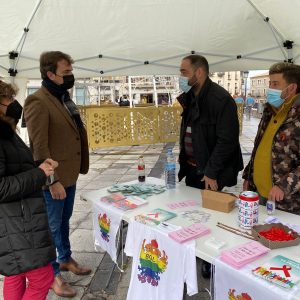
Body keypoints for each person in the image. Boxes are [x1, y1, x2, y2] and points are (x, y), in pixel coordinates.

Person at [23, 51, 90, 297]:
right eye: (66, 72)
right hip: (54, 180)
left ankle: (65, 258)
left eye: (71, 70)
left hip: (69, 175)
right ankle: (52, 276)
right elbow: (39, 148)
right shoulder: (38, 101)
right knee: (51, 228)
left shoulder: (62, 97)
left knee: (63, 221)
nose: (71, 76)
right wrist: (52, 181)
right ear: (50, 74)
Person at [177, 55, 243, 278]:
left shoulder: (220, 99)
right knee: (194, 214)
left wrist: (212, 172)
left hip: (212, 172)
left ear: (199, 72)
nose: (182, 75)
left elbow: (227, 140)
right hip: (194, 168)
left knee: (212, 217)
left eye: (185, 71)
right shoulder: (191, 97)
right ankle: (197, 250)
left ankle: (210, 259)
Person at [0, 80, 58, 300]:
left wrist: (39, 168)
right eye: (8, 98)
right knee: (42, 278)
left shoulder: (6, 130)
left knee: (15, 273)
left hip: (17, 218)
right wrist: (40, 173)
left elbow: (14, 168)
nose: (13, 103)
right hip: (15, 221)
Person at [243, 62, 300, 215]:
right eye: (270, 83)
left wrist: (284, 186)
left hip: (287, 202)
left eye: (275, 84)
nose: (270, 88)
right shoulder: (270, 110)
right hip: (259, 192)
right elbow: (259, 146)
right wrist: (249, 175)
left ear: (292, 88)